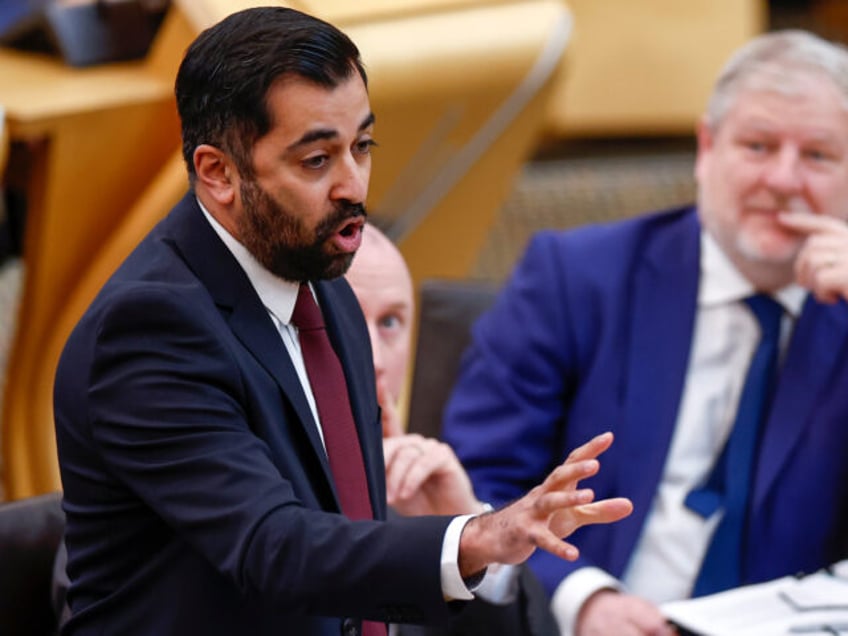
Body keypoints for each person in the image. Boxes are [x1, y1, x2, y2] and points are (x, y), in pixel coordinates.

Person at [52, 7, 633, 635]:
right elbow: (275, 546)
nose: (353, 186)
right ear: (218, 173)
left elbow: (351, 555)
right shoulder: (148, 330)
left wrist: (470, 531)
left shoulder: (321, 287)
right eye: (316, 161)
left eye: (361, 146)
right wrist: (476, 538)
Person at [442, 28, 848, 636]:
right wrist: (582, 600)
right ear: (707, 148)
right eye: (758, 146)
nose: (785, 181)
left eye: (817, 155)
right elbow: (471, 481)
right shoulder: (577, 277)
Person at [346, 223, 559, 636]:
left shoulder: (415, 493)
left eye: (390, 323)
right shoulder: (238, 475)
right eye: (345, 319)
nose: (374, 359)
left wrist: (470, 540)